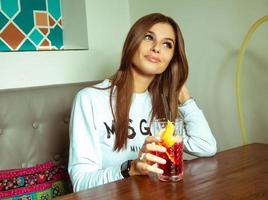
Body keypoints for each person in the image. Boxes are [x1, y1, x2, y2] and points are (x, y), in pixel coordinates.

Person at [68, 13, 217, 192]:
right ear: (133, 42)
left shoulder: (162, 105)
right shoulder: (89, 99)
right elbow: (80, 183)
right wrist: (131, 168)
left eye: (167, 44)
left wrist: (183, 95)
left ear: (171, 59)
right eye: (148, 37)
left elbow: (206, 146)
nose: (156, 48)